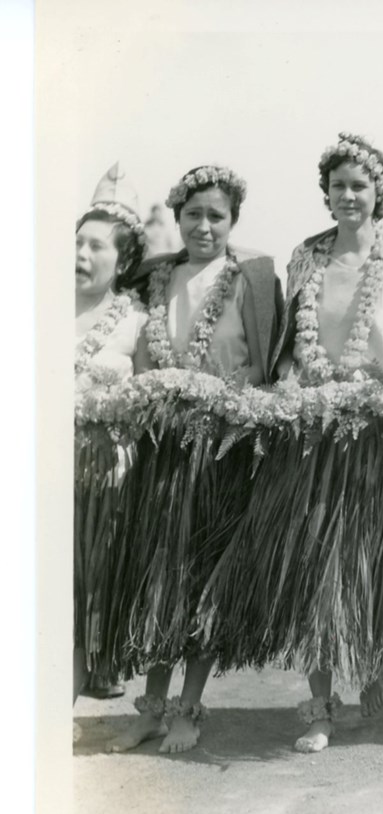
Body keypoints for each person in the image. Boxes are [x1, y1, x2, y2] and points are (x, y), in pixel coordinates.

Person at [197, 134, 383, 753]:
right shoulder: (304, 258)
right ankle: (321, 705)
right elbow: (283, 352)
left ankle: (373, 657)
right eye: (339, 186)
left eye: (360, 185)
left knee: (364, 562)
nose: (349, 195)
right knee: (311, 567)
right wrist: (293, 395)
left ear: (379, 192)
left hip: (372, 434)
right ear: (325, 194)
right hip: (308, 434)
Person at [108, 165, 287, 754]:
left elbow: (266, 364)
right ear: (177, 216)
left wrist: (225, 406)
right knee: (159, 580)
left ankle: (189, 707)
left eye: (217, 216)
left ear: (233, 221)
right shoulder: (155, 279)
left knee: (206, 580)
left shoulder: (254, 279)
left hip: (223, 450)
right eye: (193, 214)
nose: (204, 226)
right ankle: (151, 709)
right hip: (163, 450)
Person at [73, 164, 148, 720]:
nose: (80, 253)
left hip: (98, 479)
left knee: (79, 597)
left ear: (122, 262)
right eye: (75, 240)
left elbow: (144, 402)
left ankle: (54, 715)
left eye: (96, 246)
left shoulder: (137, 323)